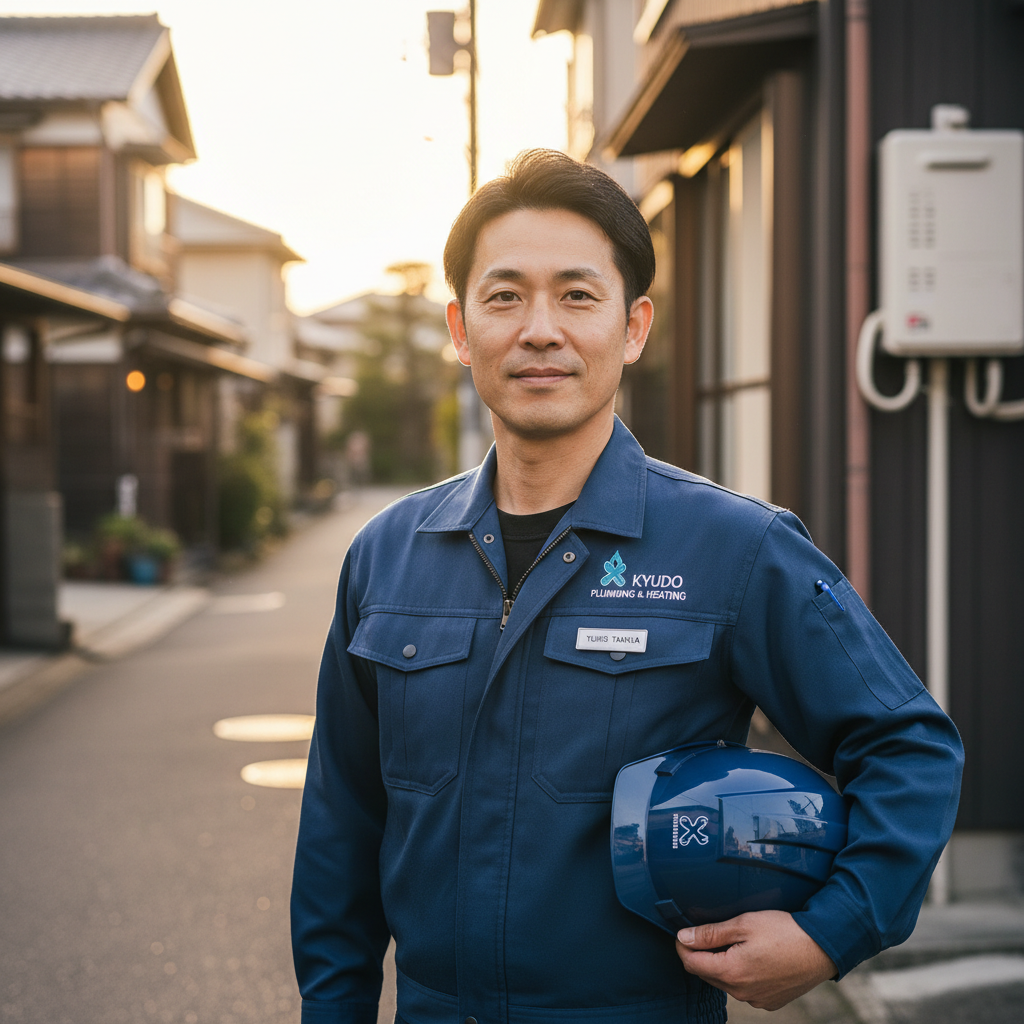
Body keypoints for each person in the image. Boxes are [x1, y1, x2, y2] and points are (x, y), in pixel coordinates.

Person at [291, 150, 963, 1024]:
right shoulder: (386, 557)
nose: (539, 329)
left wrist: (830, 934)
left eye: (577, 295)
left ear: (633, 326)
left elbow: (909, 747)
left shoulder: (736, 547)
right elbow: (341, 824)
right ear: (460, 329)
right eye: (505, 296)